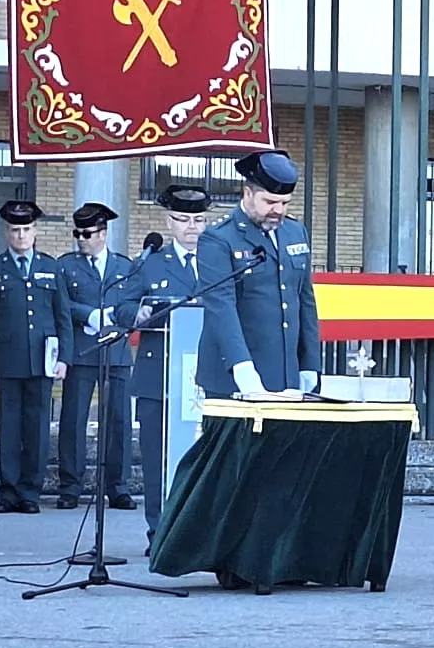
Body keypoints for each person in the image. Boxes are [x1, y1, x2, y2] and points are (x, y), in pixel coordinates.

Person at [115, 184, 212, 543]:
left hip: (208, 375)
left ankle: (203, 532)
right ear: (169, 222)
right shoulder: (150, 263)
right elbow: (122, 307)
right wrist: (138, 314)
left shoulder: (220, 261)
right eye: (183, 219)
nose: (191, 227)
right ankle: (160, 530)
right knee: (156, 458)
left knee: (207, 456)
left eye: (198, 220)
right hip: (159, 375)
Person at [0, 200, 71, 514]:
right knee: (9, 429)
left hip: (42, 361)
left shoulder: (51, 267)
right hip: (6, 362)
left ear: (35, 231)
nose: (21, 235)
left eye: (27, 229)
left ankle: (30, 493)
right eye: (15, 230)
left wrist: (64, 358)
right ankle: (8, 492)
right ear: (7, 232)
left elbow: (63, 317)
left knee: (37, 429)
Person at [198, 151, 321, 398]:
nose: (278, 210)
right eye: (269, 202)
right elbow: (221, 307)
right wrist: (242, 367)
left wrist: (310, 363)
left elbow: (304, 299)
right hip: (234, 375)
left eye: (285, 203)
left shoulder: (295, 232)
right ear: (248, 194)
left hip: (286, 373)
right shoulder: (219, 238)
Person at [54, 202, 136, 511]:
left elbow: (133, 301)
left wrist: (118, 314)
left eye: (87, 234)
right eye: (77, 234)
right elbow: (60, 303)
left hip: (116, 352)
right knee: (73, 420)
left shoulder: (124, 266)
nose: (81, 239)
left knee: (119, 421)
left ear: (103, 234)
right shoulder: (66, 266)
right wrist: (88, 314)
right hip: (82, 351)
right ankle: (70, 486)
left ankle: (118, 487)